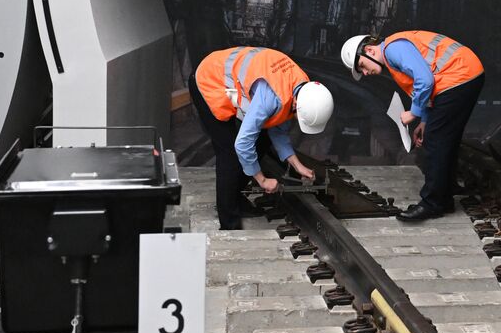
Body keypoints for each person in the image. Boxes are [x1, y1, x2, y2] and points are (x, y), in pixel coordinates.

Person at [340, 30, 485, 222]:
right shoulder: (393, 55)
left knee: (435, 142)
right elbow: (426, 89)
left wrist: (413, 113)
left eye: (362, 66)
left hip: (458, 77)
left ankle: (433, 203)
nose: (365, 73)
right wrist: (424, 121)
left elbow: (425, 80)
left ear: (369, 51)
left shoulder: (393, 49)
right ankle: (445, 193)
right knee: (445, 138)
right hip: (466, 75)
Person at [190, 46, 334, 230]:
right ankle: (229, 223)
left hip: (229, 80)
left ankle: (237, 199)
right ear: (297, 103)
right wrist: (262, 180)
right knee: (229, 153)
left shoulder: (301, 86)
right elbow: (242, 144)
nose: (297, 120)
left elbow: (277, 129)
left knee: (263, 140)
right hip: (208, 80)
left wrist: (299, 167)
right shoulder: (271, 98)